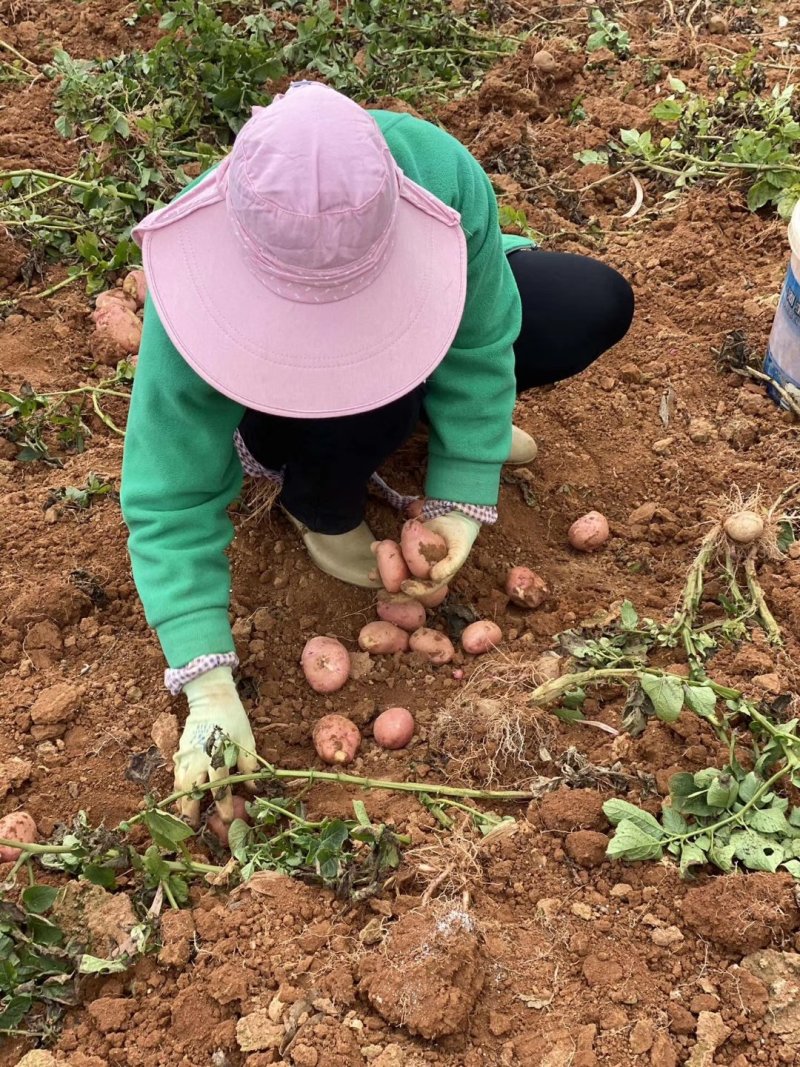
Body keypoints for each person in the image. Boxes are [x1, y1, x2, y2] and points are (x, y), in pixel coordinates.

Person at [120, 81, 634, 824]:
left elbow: (483, 332)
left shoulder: (439, 172)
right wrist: (207, 685)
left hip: (409, 337)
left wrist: (463, 482)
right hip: (272, 401)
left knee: (589, 303)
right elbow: (168, 492)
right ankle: (317, 500)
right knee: (373, 393)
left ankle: (424, 420)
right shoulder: (195, 272)